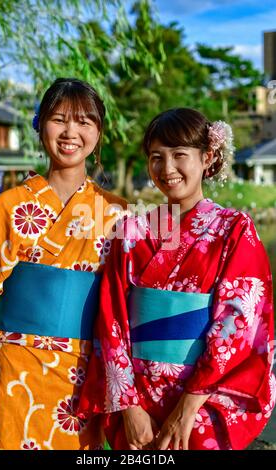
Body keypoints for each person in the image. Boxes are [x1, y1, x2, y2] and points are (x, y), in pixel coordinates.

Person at [80, 108, 275, 450]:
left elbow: (241, 322)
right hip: (137, 399)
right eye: (157, 157)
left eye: (179, 155)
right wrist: (129, 406)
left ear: (207, 158)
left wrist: (190, 404)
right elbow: (111, 322)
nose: (167, 169)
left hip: (203, 403)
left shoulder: (234, 230)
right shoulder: (132, 231)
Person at [0, 78, 127, 450]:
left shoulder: (117, 213)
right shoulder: (9, 205)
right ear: (40, 124)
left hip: (82, 370)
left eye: (84, 122)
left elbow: (124, 303)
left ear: (98, 132)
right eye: (59, 119)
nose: (70, 132)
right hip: (12, 361)